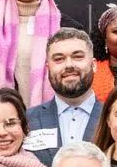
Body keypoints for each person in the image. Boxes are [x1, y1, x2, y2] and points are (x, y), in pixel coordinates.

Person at [23, 28, 102, 157]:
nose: (69, 65)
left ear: (93, 65)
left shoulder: (114, 118)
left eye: (77, 57)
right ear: (48, 68)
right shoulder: (27, 121)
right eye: (59, 59)